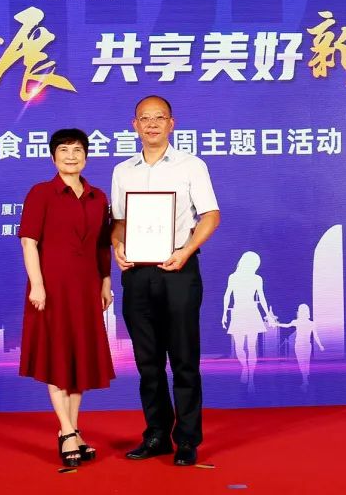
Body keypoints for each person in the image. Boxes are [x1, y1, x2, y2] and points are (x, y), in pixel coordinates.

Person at [110, 96, 220, 466]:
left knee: (184, 359)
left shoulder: (191, 165)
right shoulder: (123, 171)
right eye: (145, 118)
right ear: (135, 125)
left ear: (172, 124)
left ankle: (187, 439)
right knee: (148, 362)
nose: (152, 124)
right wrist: (117, 246)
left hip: (178, 267)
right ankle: (156, 434)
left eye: (160, 118)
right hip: (138, 272)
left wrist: (186, 251)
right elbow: (119, 222)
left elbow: (210, 215)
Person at [18, 128, 116, 467]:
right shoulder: (41, 193)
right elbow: (29, 242)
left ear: (86, 156)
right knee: (57, 359)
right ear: (53, 156)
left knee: (79, 361)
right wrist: (37, 284)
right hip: (52, 288)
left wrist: (105, 282)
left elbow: (102, 245)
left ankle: (71, 430)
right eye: (64, 150)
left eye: (77, 150)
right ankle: (67, 430)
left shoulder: (98, 197)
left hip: (86, 288)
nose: (71, 156)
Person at [221, 251, 276, 393]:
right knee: (239, 347)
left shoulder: (257, 279)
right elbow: (227, 295)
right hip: (238, 312)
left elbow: (262, 298)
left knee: (252, 347)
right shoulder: (233, 277)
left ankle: (251, 378)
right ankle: (245, 368)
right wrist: (224, 313)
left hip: (252, 313)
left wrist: (268, 315)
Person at [276, 304, 325, 392]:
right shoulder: (311, 323)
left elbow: (287, 325)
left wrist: (277, 324)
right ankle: (305, 380)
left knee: (302, 363)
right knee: (305, 363)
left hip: (300, 345)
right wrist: (320, 345)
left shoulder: (297, 322)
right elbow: (316, 336)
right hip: (306, 345)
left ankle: (305, 381)